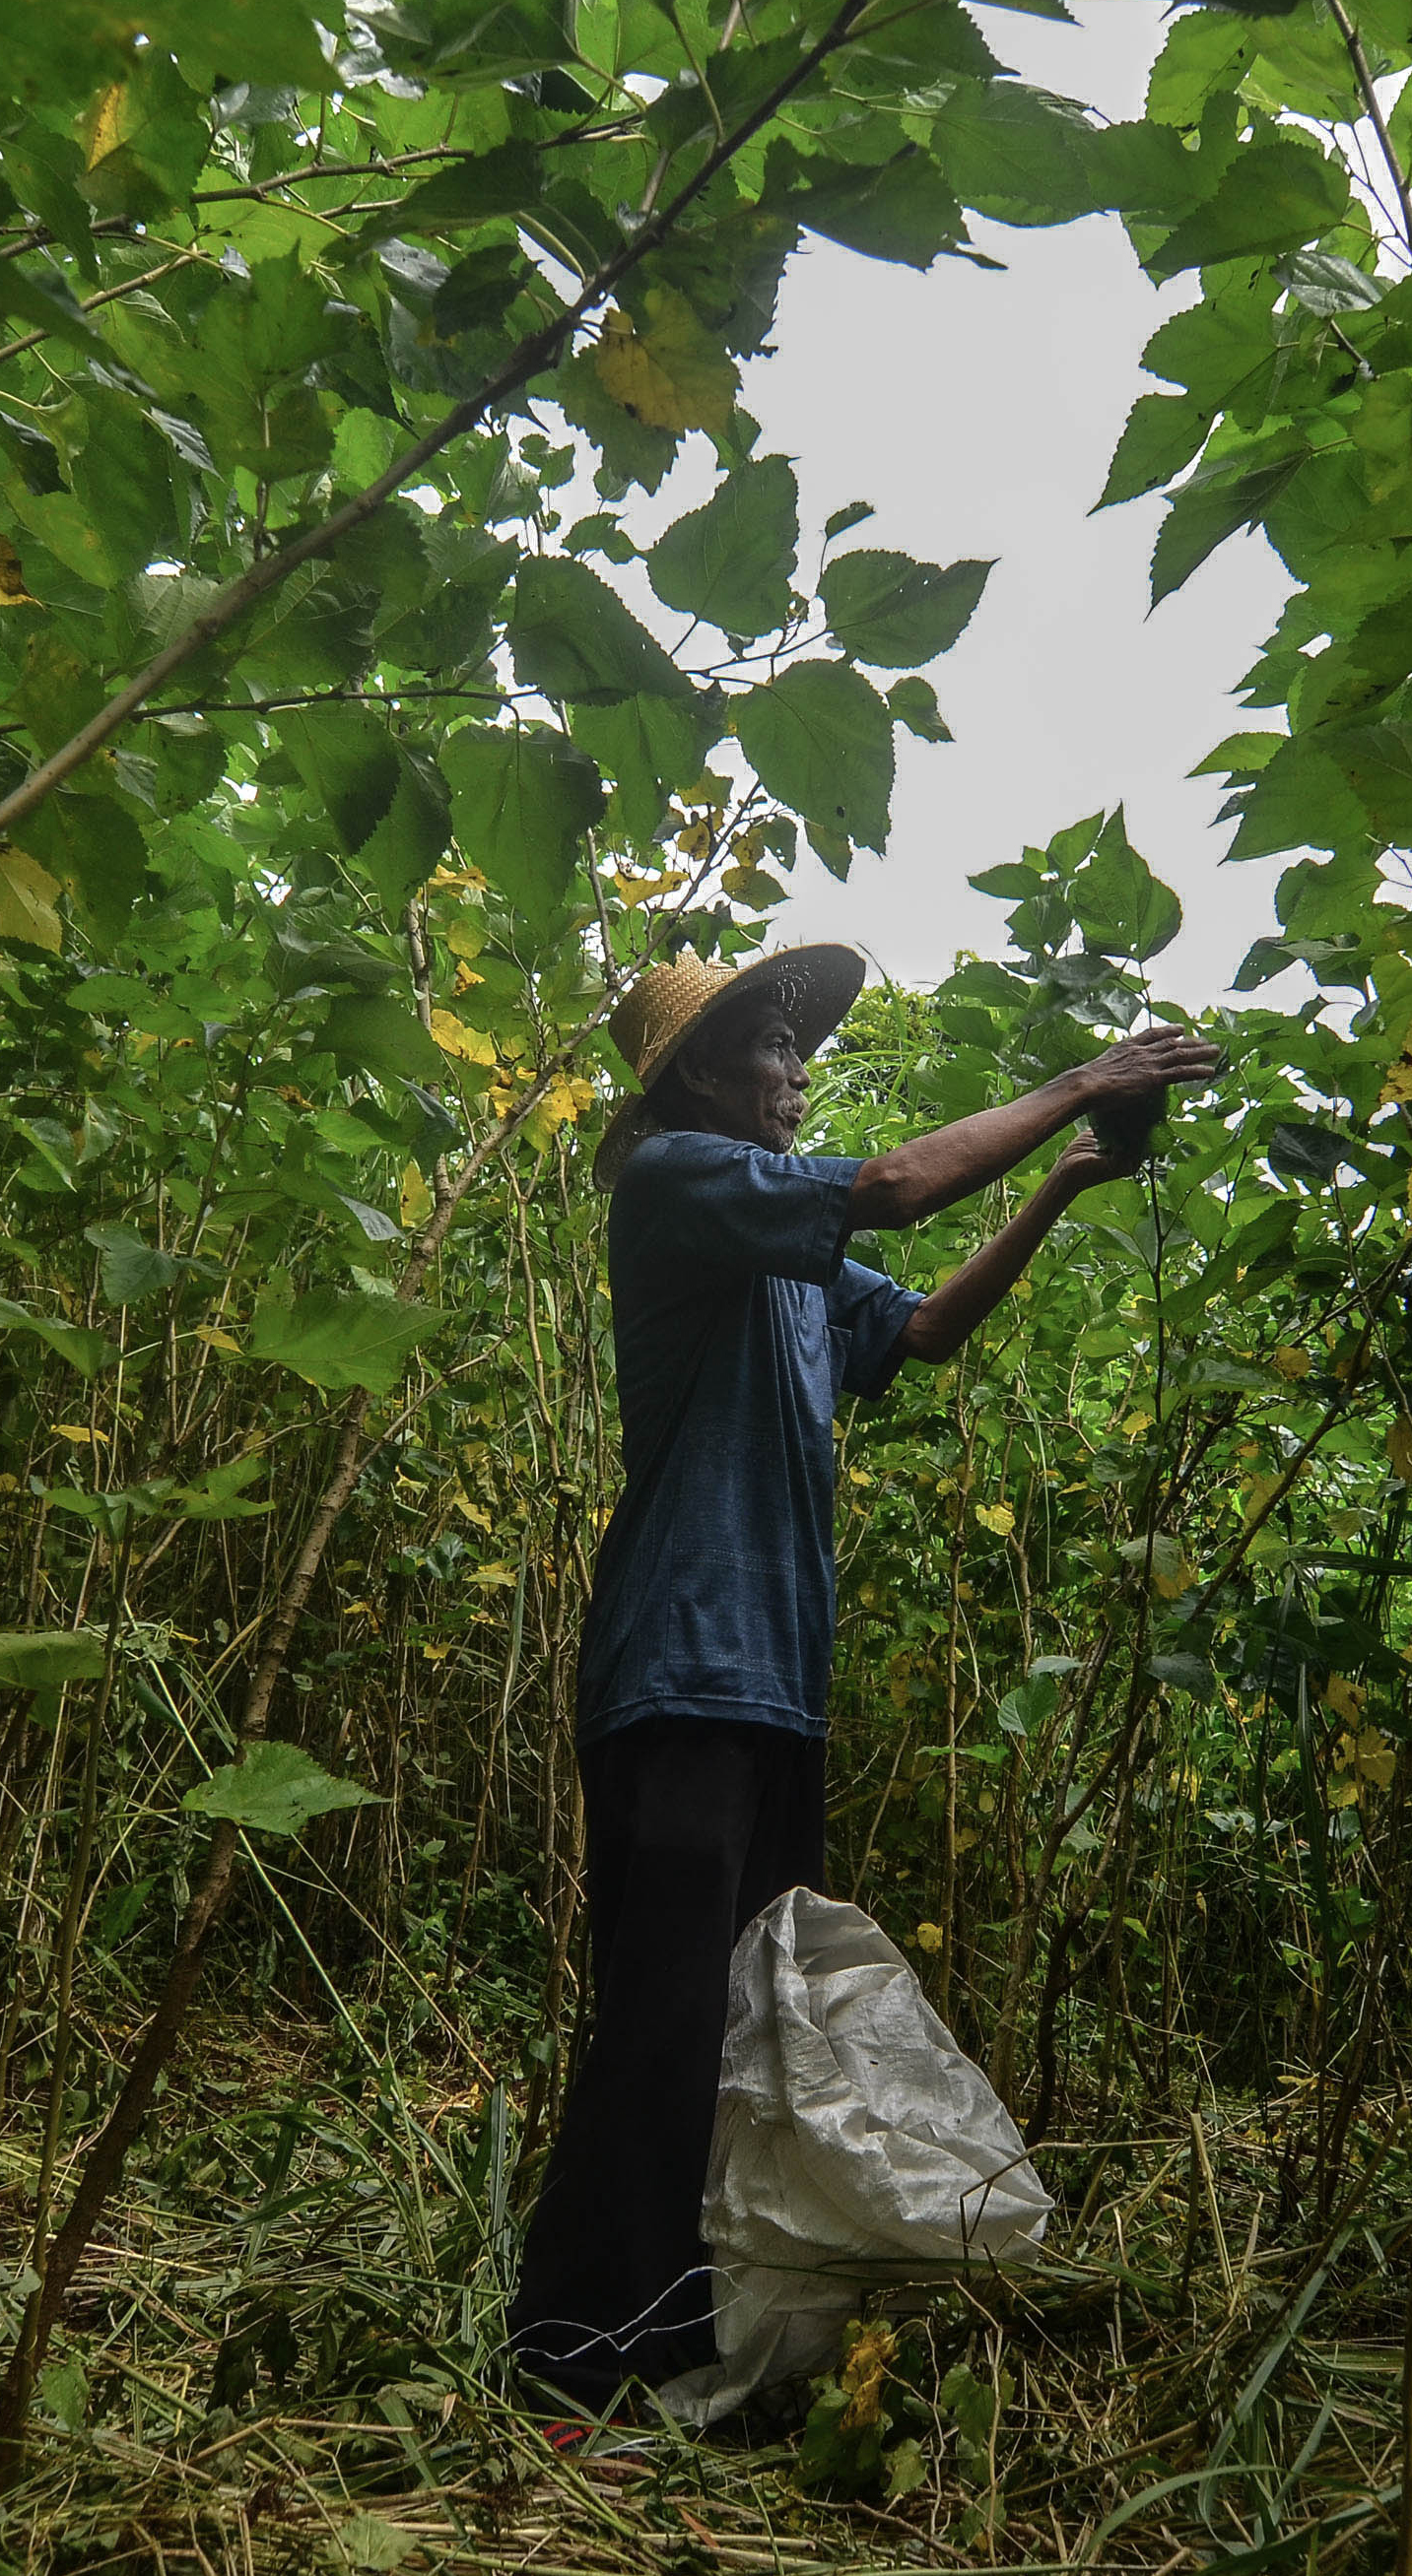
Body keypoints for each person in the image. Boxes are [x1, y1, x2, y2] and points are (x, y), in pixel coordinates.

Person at [504, 940, 1220, 2415]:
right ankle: (572, 2355)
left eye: (792, 1042)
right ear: (696, 1076)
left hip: (772, 1686)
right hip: (682, 1670)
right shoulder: (679, 1185)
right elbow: (890, 1183)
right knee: (659, 2020)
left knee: (750, 2021)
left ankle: (701, 2339)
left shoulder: (791, 1263)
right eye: (769, 1043)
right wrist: (1081, 1077)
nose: (794, 1064)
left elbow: (925, 1328)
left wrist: (1061, 1181)